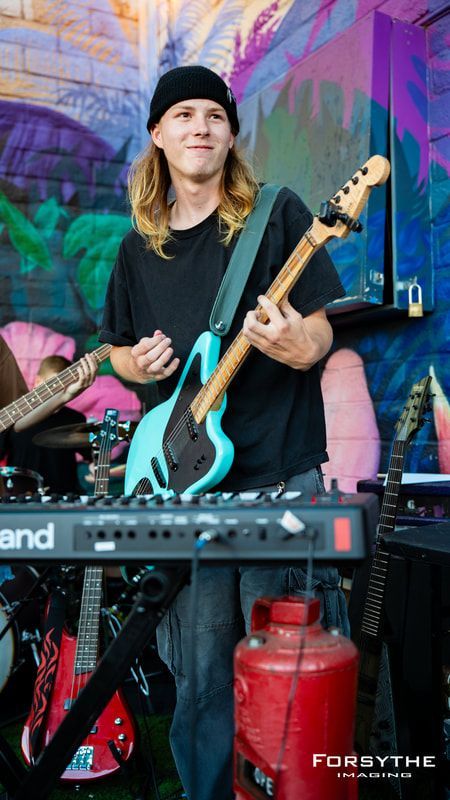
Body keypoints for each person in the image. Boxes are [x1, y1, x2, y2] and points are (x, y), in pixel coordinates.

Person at [99, 65, 347, 800]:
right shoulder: (137, 247)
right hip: (180, 491)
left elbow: (319, 337)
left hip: (277, 480)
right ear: (158, 135)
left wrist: (293, 341)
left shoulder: (278, 215)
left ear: (231, 132)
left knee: (289, 685)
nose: (199, 125)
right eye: (183, 115)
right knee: (202, 687)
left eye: (214, 113)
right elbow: (114, 345)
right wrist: (133, 359)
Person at [0, 353, 98, 494]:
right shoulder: (14, 416)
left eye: (67, 386)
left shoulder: (75, 419)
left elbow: (91, 456)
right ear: (38, 382)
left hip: (63, 496)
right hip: (20, 496)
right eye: (54, 386)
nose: (61, 392)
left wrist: (94, 466)